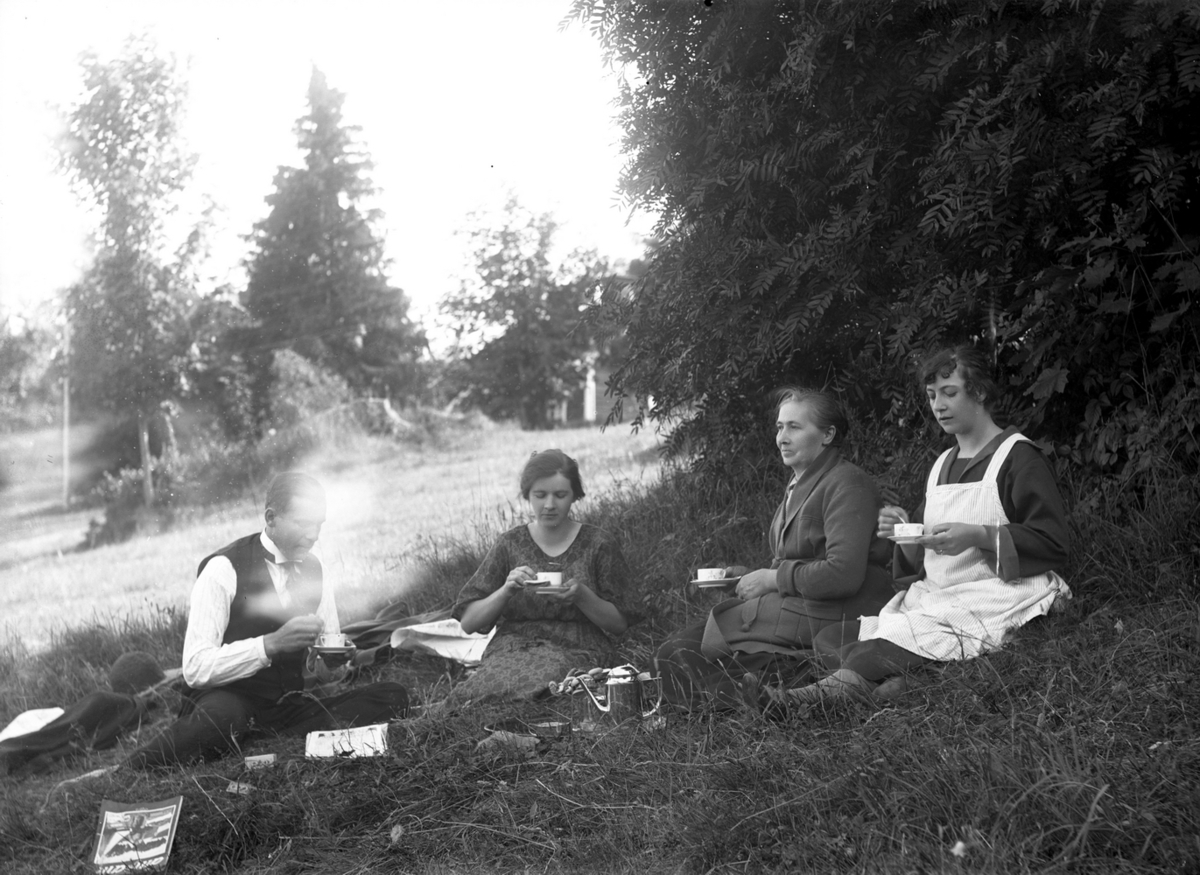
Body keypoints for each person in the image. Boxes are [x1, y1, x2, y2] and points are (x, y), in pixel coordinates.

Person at [780, 343, 1072, 704]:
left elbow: (1053, 542)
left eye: (949, 393)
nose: (938, 405)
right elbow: (924, 555)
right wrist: (904, 532)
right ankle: (905, 682)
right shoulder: (941, 466)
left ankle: (806, 699)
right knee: (831, 638)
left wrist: (979, 536)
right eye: (933, 395)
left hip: (996, 590)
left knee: (882, 646)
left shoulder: (1016, 457)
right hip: (940, 593)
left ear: (979, 392)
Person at [125, 472, 409, 767]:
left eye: (319, 525)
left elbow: (326, 668)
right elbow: (195, 668)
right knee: (224, 718)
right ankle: (139, 764)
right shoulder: (223, 569)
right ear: (271, 518)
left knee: (392, 695)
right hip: (225, 700)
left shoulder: (316, 570)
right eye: (303, 523)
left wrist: (333, 664)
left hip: (284, 705)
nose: (313, 535)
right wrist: (270, 644)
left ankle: (259, 741)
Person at [655, 388, 895, 710]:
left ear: (828, 435)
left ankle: (805, 685)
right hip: (794, 610)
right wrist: (746, 578)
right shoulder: (801, 482)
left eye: (794, 427)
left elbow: (843, 574)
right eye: (780, 427)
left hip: (831, 616)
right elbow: (792, 561)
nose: (782, 437)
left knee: (680, 655)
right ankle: (759, 696)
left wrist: (771, 579)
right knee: (672, 654)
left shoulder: (847, 483)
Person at [447, 449, 635, 705]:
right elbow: (468, 623)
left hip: (577, 647)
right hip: (514, 648)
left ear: (574, 496)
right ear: (527, 495)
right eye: (540, 495)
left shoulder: (598, 543)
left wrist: (582, 596)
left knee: (546, 682)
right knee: (476, 691)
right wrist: (506, 591)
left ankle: (516, 721)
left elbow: (619, 624)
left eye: (560, 495)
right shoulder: (510, 544)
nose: (549, 505)